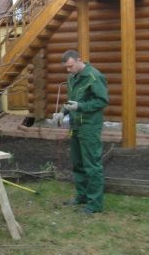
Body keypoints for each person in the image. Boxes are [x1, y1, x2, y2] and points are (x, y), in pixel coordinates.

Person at [53, 49, 109, 214]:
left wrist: (81, 106)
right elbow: (71, 101)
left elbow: (102, 101)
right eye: (66, 68)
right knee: (78, 164)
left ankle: (95, 204)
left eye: (70, 66)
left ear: (79, 60)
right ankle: (82, 196)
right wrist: (62, 113)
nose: (68, 70)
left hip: (90, 127)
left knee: (92, 165)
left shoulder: (94, 77)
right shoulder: (72, 78)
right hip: (75, 126)